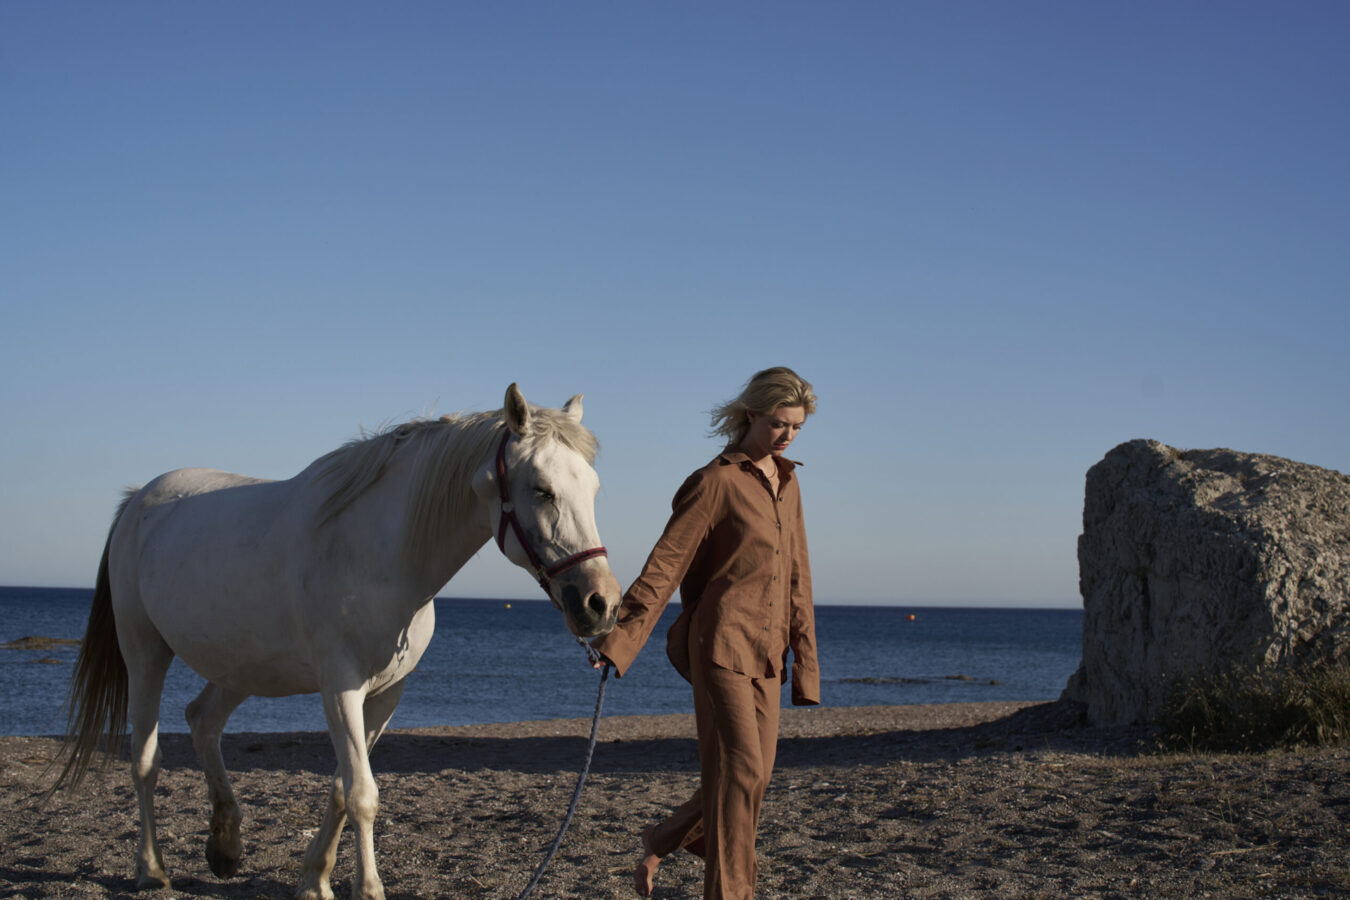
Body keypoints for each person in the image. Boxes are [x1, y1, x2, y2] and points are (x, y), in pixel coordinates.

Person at [593, 366, 819, 900]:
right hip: (719, 646)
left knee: (752, 779)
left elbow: (798, 575)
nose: (786, 435)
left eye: (797, 428)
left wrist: (805, 664)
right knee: (741, 773)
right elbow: (665, 566)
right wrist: (619, 642)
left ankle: (663, 837)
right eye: (778, 424)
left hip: (768, 651)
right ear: (750, 415)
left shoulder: (789, 484)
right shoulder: (714, 483)